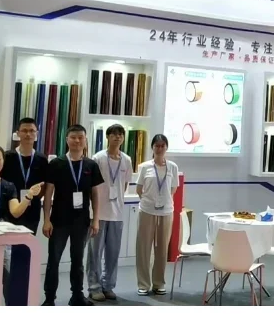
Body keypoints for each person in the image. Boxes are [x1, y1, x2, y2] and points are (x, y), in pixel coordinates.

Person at [42, 124, 104, 306]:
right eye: (73, 137)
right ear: (66, 140)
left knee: (78, 260)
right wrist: (46, 220)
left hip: (81, 222)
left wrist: (96, 220)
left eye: (80, 137)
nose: (77, 141)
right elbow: (48, 194)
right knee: (53, 260)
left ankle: (77, 295)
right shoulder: (56, 163)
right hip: (59, 220)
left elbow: (95, 195)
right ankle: (49, 298)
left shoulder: (91, 165)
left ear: (85, 140)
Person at [86, 124, 133, 302]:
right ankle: (94, 287)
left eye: (120, 134)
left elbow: (125, 185)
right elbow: (92, 186)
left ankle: (108, 286)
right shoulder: (98, 158)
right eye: (113, 134)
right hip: (98, 214)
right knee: (95, 254)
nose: (117, 137)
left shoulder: (126, 160)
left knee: (113, 254)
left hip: (117, 213)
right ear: (107, 137)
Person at [135, 134, 180, 296]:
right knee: (143, 248)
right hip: (147, 211)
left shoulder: (172, 167)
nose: (159, 148)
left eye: (162, 146)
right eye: (157, 146)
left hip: (166, 212)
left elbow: (173, 189)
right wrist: (150, 201)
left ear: (166, 147)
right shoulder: (145, 167)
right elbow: (139, 189)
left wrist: (163, 201)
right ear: (152, 148)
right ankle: (143, 284)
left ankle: (159, 283)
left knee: (162, 249)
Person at [2, 118, 49, 234]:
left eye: (32, 131)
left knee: (28, 242)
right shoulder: (7, 157)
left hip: (32, 210)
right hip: (10, 208)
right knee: (10, 243)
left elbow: (45, 185)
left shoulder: (42, 159)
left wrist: (34, 196)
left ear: (37, 134)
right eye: (24, 130)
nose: (28, 134)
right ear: (18, 133)